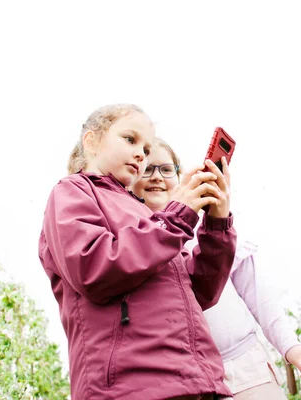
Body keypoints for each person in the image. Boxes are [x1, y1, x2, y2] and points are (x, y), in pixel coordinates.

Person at [38, 104, 238, 400]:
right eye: (130, 139)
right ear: (91, 141)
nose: (140, 155)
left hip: (198, 382)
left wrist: (217, 223)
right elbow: (93, 268)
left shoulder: (146, 214)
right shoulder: (72, 192)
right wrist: (177, 216)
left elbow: (201, 292)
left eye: (145, 149)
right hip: (130, 387)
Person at [133, 138, 301, 399]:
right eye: (146, 169)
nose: (156, 177)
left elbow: (258, 294)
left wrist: (290, 345)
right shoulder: (132, 245)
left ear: (180, 176)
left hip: (247, 369)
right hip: (186, 383)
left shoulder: (213, 228)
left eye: (166, 169)